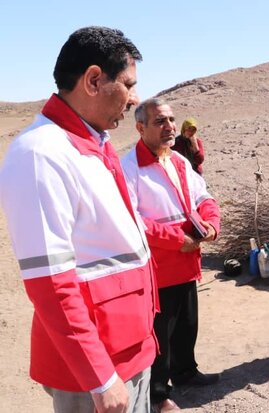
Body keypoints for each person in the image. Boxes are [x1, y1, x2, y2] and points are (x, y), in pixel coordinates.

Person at [0, 27, 157, 413]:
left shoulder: (92, 143)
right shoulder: (41, 154)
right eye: (128, 84)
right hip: (97, 369)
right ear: (92, 80)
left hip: (130, 350)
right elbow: (50, 283)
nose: (135, 98)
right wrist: (100, 377)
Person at [121, 98, 221, 413]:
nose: (169, 127)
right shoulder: (129, 167)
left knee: (187, 323)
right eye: (160, 122)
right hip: (158, 267)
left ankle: (186, 372)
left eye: (171, 120)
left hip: (187, 260)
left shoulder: (178, 159)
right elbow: (131, 219)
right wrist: (177, 239)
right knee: (158, 334)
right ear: (140, 127)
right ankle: (157, 394)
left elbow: (203, 195)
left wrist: (212, 224)